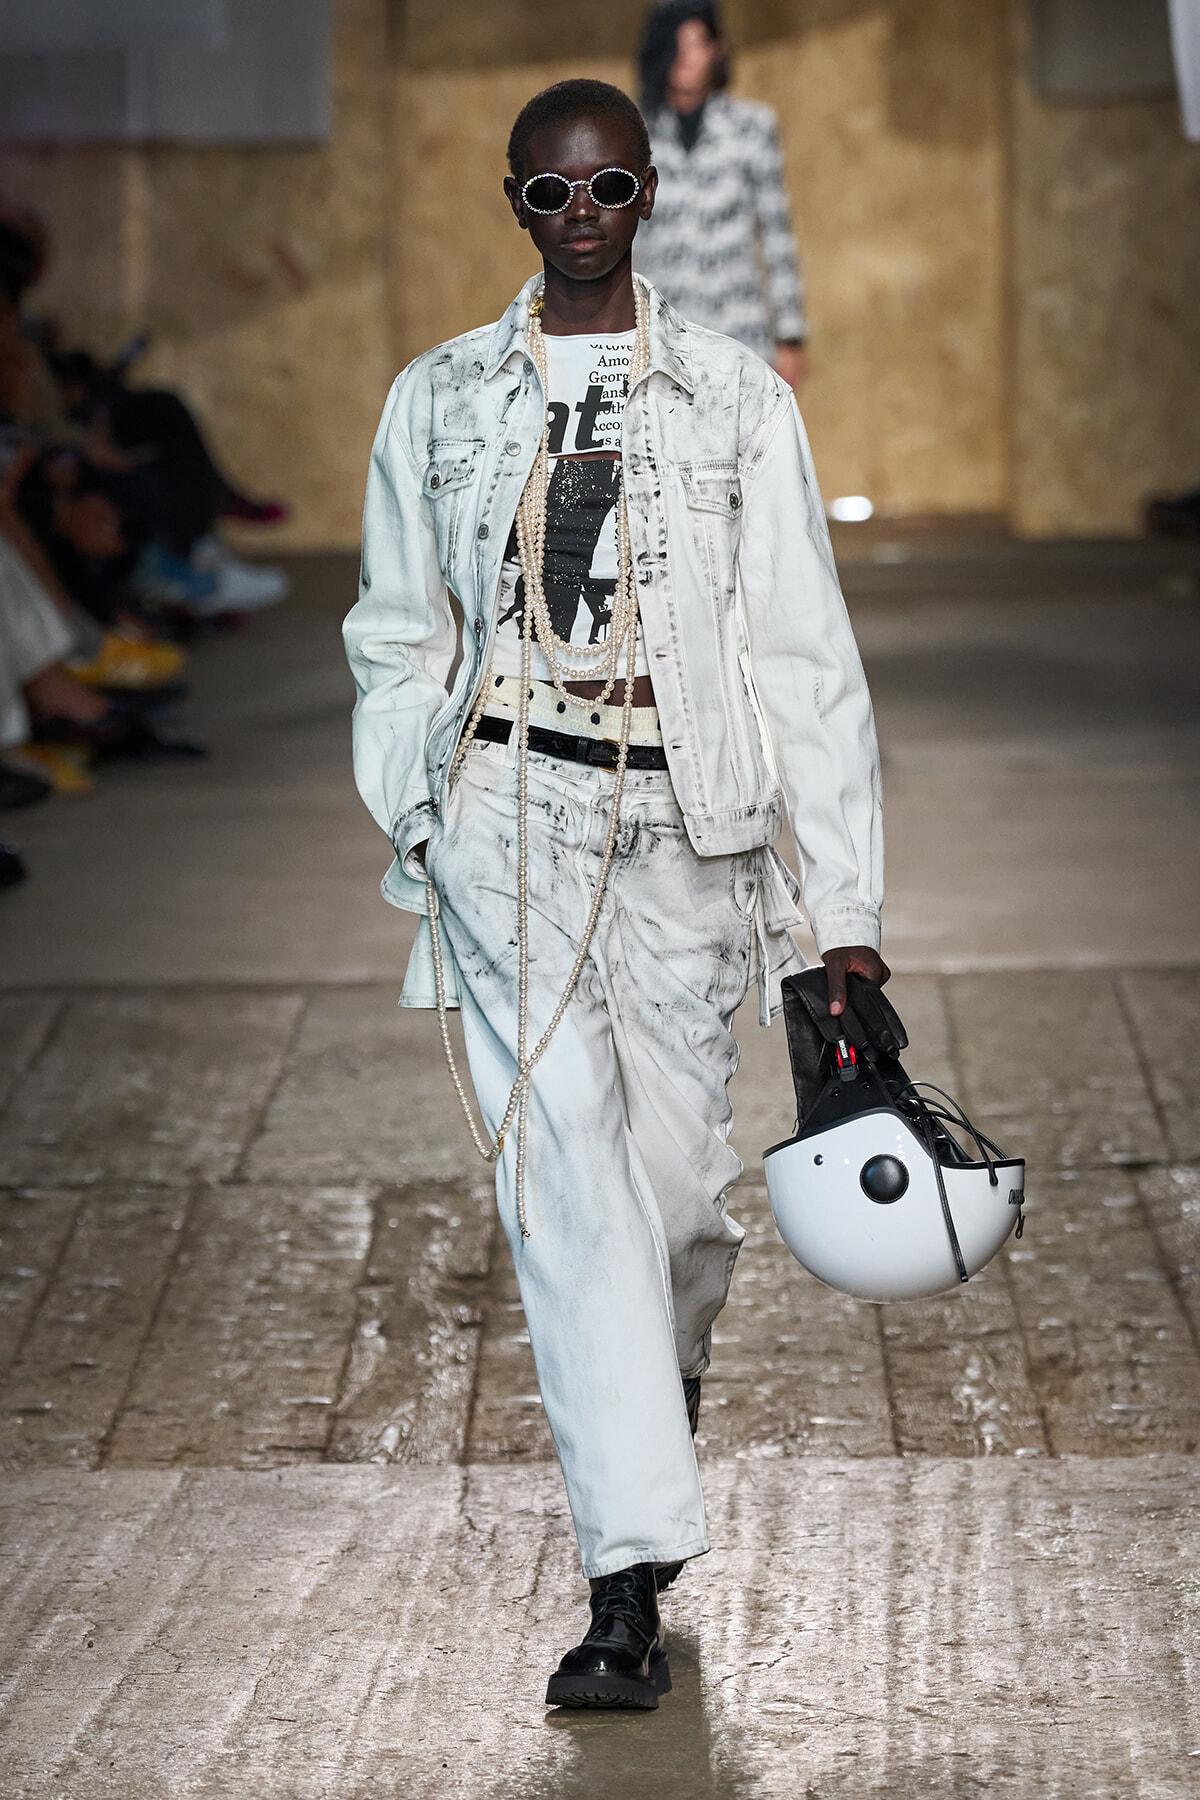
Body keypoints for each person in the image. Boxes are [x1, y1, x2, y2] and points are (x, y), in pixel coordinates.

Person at [344, 77, 884, 1711]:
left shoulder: (732, 399)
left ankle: (671, 1378)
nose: (578, 222)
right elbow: (396, 625)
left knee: (669, 1211)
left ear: (647, 197)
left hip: (684, 837)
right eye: (546, 198)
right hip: (508, 821)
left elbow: (804, 657)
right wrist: (417, 804)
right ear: (514, 205)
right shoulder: (437, 402)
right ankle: (620, 1586)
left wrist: (843, 910)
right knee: (568, 1197)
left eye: (607, 193)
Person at [632, 0, 808, 389]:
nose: (687, 57)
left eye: (698, 43)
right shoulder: (637, 137)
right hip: (666, 340)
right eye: (677, 44)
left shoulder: (752, 128)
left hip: (741, 336)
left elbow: (777, 235)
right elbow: (631, 243)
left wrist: (790, 336)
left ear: (717, 50)